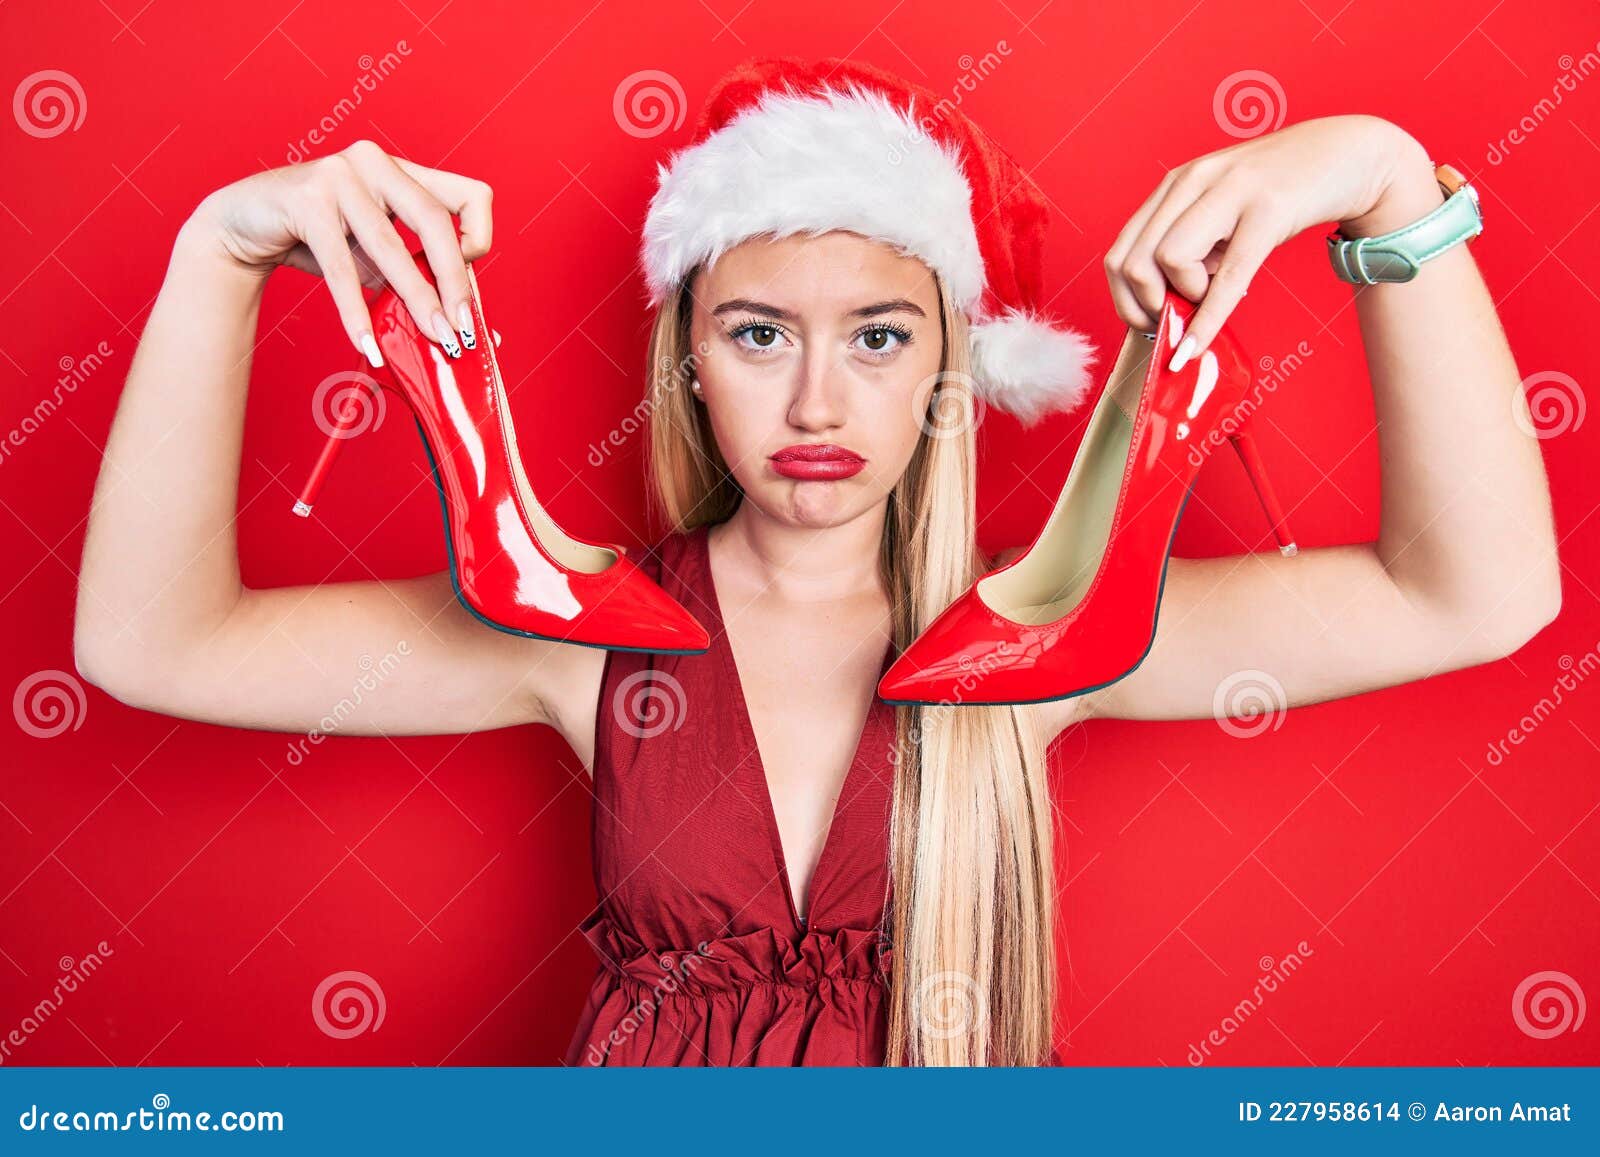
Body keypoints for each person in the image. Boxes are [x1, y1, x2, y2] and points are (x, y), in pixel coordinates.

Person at [73, 58, 1560, 1066]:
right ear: (692, 366)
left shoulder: (1039, 650)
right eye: (758, 331)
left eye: (880, 336)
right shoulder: (585, 629)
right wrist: (223, 250)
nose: (815, 404)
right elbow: (153, 644)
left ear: (946, 371)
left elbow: (1480, 592)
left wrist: (1379, 184)